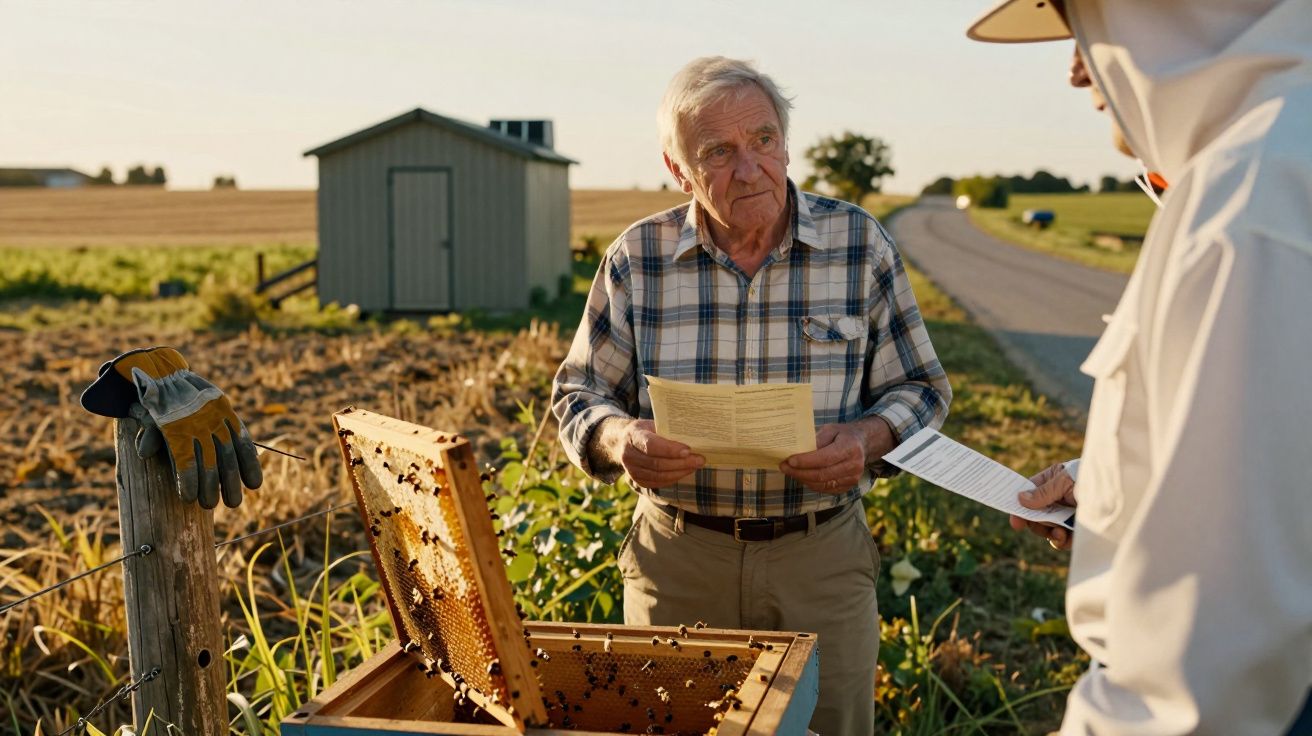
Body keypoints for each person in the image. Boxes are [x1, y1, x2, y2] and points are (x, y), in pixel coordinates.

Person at [551, 56, 951, 735]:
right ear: (678, 171)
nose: (749, 167)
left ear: (786, 144)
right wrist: (622, 442)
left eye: (763, 140)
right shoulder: (637, 259)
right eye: (718, 152)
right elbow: (577, 394)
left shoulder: (859, 245)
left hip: (819, 557)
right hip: (679, 561)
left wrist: (865, 438)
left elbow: (921, 388)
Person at [969, 1, 1312, 733]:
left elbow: (1200, 676)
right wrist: (1109, 482)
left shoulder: (1249, 203)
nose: (1076, 70)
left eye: (1081, 20)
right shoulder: (1275, 157)